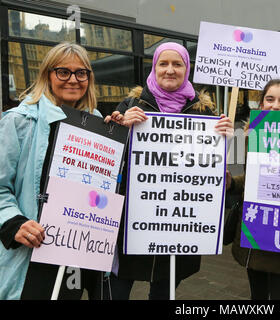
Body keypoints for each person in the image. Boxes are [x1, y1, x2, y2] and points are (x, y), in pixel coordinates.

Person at [103, 42, 233, 300]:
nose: (170, 70)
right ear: (154, 67)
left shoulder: (204, 111)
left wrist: (225, 142)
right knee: (117, 290)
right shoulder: (131, 104)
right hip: (132, 223)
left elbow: (209, 172)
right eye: (163, 63)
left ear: (187, 69)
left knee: (164, 290)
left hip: (178, 225)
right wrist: (120, 129)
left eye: (177, 64)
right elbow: (106, 158)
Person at [0, 42, 104, 299]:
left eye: (81, 73)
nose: (73, 80)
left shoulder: (98, 123)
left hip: (75, 254)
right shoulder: (18, 120)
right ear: (48, 74)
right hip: (29, 255)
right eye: (63, 72)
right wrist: (16, 223)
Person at [225, 78, 280, 300]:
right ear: (261, 104)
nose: (275, 105)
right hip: (256, 230)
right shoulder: (252, 135)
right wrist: (232, 183)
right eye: (269, 99)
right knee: (257, 296)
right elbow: (252, 179)